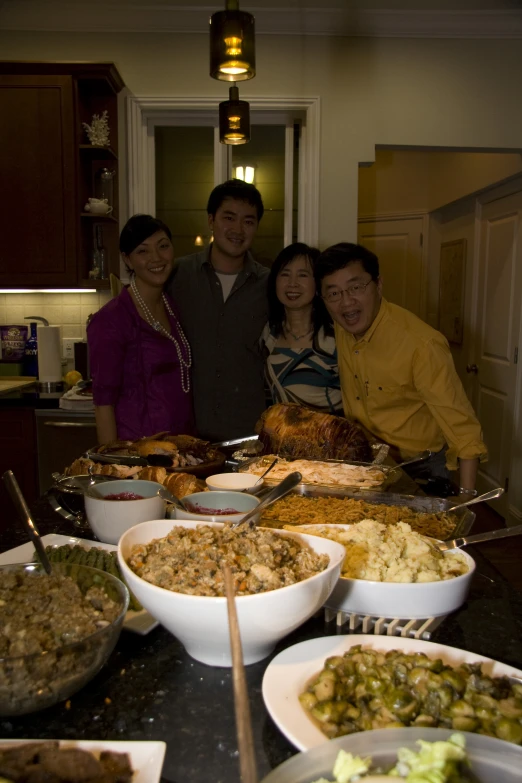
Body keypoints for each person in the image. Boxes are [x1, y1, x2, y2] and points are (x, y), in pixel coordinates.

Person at [315, 242, 488, 499]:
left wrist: (466, 498)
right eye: (334, 293)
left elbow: (464, 431)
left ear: (379, 285)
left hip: (420, 469)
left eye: (356, 287)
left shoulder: (422, 345)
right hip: (365, 461)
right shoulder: (344, 325)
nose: (346, 302)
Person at [168, 179, 269, 442]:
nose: (238, 229)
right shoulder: (176, 275)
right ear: (211, 220)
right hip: (183, 434)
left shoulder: (271, 285)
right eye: (229, 218)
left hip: (247, 437)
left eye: (248, 221)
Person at [88, 214, 194, 444]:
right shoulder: (111, 319)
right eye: (143, 251)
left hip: (180, 452)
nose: (156, 258)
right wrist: (114, 465)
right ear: (127, 260)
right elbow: (103, 402)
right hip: (138, 455)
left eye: (163, 246)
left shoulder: (171, 305)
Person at [261, 242, 342, 414]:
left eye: (303, 275)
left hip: (329, 437)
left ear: (319, 283)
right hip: (284, 437)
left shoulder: (336, 337)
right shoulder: (269, 334)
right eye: (285, 274)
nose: (292, 284)